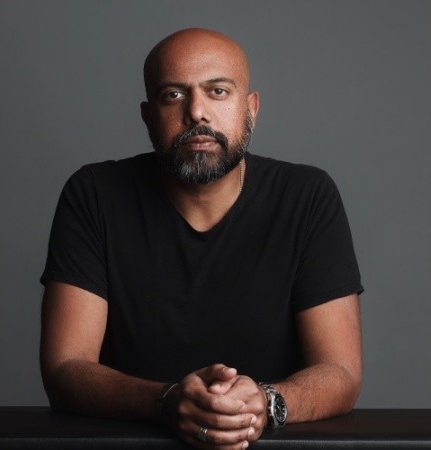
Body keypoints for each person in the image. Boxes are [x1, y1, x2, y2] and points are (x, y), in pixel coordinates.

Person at [40, 28, 363, 450]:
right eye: (173, 95)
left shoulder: (307, 197)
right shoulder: (94, 195)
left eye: (218, 91)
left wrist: (263, 403)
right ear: (148, 115)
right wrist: (166, 401)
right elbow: (65, 367)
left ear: (251, 108)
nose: (196, 112)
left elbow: (341, 371)